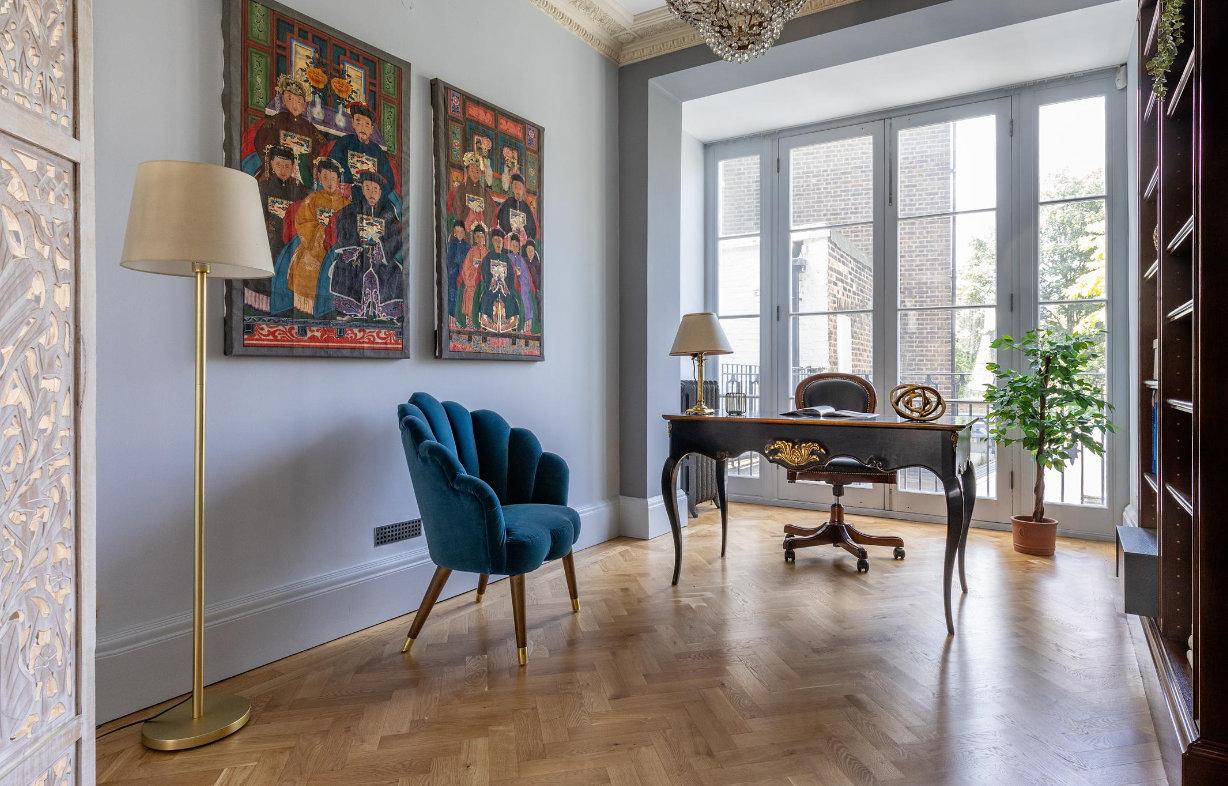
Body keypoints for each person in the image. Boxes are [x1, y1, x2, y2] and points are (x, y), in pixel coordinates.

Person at [273, 157, 349, 316]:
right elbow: (303, 221)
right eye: (325, 177)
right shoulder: (312, 199)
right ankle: (308, 308)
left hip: (339, 244)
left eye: (333, 178)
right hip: (314, 243)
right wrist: (321, 233)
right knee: (306, 269)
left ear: (338, 179)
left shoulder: (346, 204)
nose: (329, 182)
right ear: (319, 177)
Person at [328, 172, 403, 320]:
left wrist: (381, 246)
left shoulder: (388, 212)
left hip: (381, 254)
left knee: (394, 271)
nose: (371, 193)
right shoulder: (351, 209)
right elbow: (344, 228)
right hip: (357, 251)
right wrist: (355, 247)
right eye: (368, 188)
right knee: (347, 267)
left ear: (380, 192)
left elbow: (396, 236)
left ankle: (387, 311)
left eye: (375, 189)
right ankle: (349, 309)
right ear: (362, 189)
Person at [249, 74, 326, 186]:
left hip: (303, 172)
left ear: (304, 105)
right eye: (290, 99)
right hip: (279, 167)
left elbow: (321, 147)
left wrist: (308, 159)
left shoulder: (309, 128)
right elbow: (261, 140)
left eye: (299, 101)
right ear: (283, 100)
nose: (295, 105)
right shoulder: (277, 120)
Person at [327, 103, 398, 204]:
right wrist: (350, 186)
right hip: (347, 194)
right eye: (358, 122)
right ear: (353, 123)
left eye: (367, 124)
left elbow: (388, 180)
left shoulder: (377, 150)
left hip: (372, 196)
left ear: (372, 129)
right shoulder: (345, 141)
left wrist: (376, 194)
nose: (362, 128)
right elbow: (333, 163)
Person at [479, 227, 520, 332]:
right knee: (487, 297)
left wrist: (504, 283)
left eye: (500, 241)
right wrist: (492, 280)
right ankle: (487, 323)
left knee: (510, 298)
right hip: (492, 285)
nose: (498, 243)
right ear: (492, 242)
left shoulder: (506, 259)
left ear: (503, 243)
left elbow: (510, 275)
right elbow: (485, 272)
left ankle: (510, 324)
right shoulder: (488, 257)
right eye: (495, 240)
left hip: (504, 285)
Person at [446, 152, 491, 232]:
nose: (475, 174)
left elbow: (490, 210)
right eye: (472, 171)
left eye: (477, 171)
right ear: (467, 172)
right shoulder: (459, 189)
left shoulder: (484, 192)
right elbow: (453, 209)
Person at [454, 223, 487, 329]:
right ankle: (471, 320)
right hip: (472, 281)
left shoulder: (486, 251)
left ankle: (484, 320)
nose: (480, 239)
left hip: (483, 281)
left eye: (482, 236)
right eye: (477, 236)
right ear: (475, 238)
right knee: (470, 294)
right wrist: (475, 270)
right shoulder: (472, 251)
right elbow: (466, 268)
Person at [505, 232, 537, 334]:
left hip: (521, 284)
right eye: (513, 245)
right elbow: (505, 272)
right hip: (510, 283)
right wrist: (514, 273)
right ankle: (514, 323)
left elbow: (526, 275)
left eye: (517, 246)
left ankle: (524, 323)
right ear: (510, 246)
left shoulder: (521, 259)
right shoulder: (507, 257)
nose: (515, 247)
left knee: (525, 294)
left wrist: (520, 278)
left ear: (519, 247)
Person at [496, 173, 538, 244]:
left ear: (523, 189)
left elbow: (532, 227)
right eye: (516, 187)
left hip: (523, 241)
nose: (518, 191)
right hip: (509, 240)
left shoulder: (526, 208)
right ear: (512, 188)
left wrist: (525, 236)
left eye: (520, 188)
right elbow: (502, 221)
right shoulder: (507, 203)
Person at [444, 218, 469, 319]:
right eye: (457, 231)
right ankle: (451, 314)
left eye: (461, 231)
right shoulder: (451, 244)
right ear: (454, 232)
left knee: (461, 294)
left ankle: (460, 314)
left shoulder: (467, 246)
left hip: (463, 273)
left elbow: (468, 260)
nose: (459, 234)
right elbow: (449, 259)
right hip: (453, 273)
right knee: (452, 292)